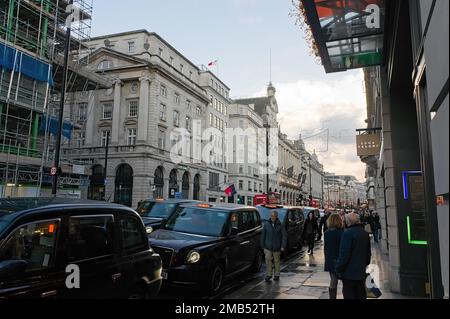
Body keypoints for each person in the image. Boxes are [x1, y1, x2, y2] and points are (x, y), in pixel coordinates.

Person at [335, 213, 371, 299]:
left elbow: (344, 254)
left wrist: (338, 268)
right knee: (361, 294)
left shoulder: (347, 234)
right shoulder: (364, 233)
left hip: (349, 274)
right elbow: (368, 254)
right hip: (361, 272)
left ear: (348, 222)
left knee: (349, 295)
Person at [261, 211, 287, 282]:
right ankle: (269, 275)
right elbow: (263, 235)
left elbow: (284, 236)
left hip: (277, 247)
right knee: (268, 260)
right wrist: (262, 245)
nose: (272, 217)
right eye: (271, 216)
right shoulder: (266, 224)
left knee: (276, 261)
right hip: (268, 246)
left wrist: (283, 246)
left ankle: (277, 275)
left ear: (276, 217)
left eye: (274, 216)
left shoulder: (280, 225)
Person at [324, 213, 345, 299]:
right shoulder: (342, 233)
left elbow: (326, 248)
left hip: (330, 259)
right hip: (340, 259)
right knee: (345, 281)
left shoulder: (326, 233)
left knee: (333, 281)